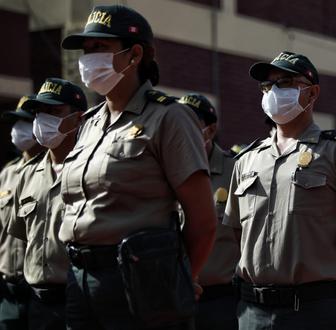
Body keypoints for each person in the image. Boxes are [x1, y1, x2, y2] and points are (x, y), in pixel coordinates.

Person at [59, 5, 216, 329]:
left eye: (100, 48)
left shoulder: (169, 117)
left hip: (140, 281)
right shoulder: (88, 124)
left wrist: (177, 277)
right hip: (78, 278)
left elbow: (203, 222)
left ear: (135, 55)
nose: (88, 59)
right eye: (86, 50)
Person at [223, 51, 336, 329]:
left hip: (310, 308)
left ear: (312, 94)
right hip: (252, 309)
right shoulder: (247, 159)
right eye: (267, 86)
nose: (273, 91)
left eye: (285, 83)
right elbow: (238, 230)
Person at [8, 78, 86, 330]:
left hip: (80, 299)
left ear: (79, 119)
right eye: (39, 113)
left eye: (53, 112)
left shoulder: (93, 170)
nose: (42, 121)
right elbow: (21, 236)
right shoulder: (27, 174)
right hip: (37, 302)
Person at [177, 93, 239, 330]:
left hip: (220, 301)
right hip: (174, 297)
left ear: (210, 131)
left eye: (191, 124)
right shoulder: (165, 168)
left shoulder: (235, 171)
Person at [0, 96, 44, 329]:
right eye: (16, 122)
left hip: (41, 290)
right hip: (8, 289)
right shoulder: (7, 174)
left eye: (26, 122)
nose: (18, 129)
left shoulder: (54, 168)